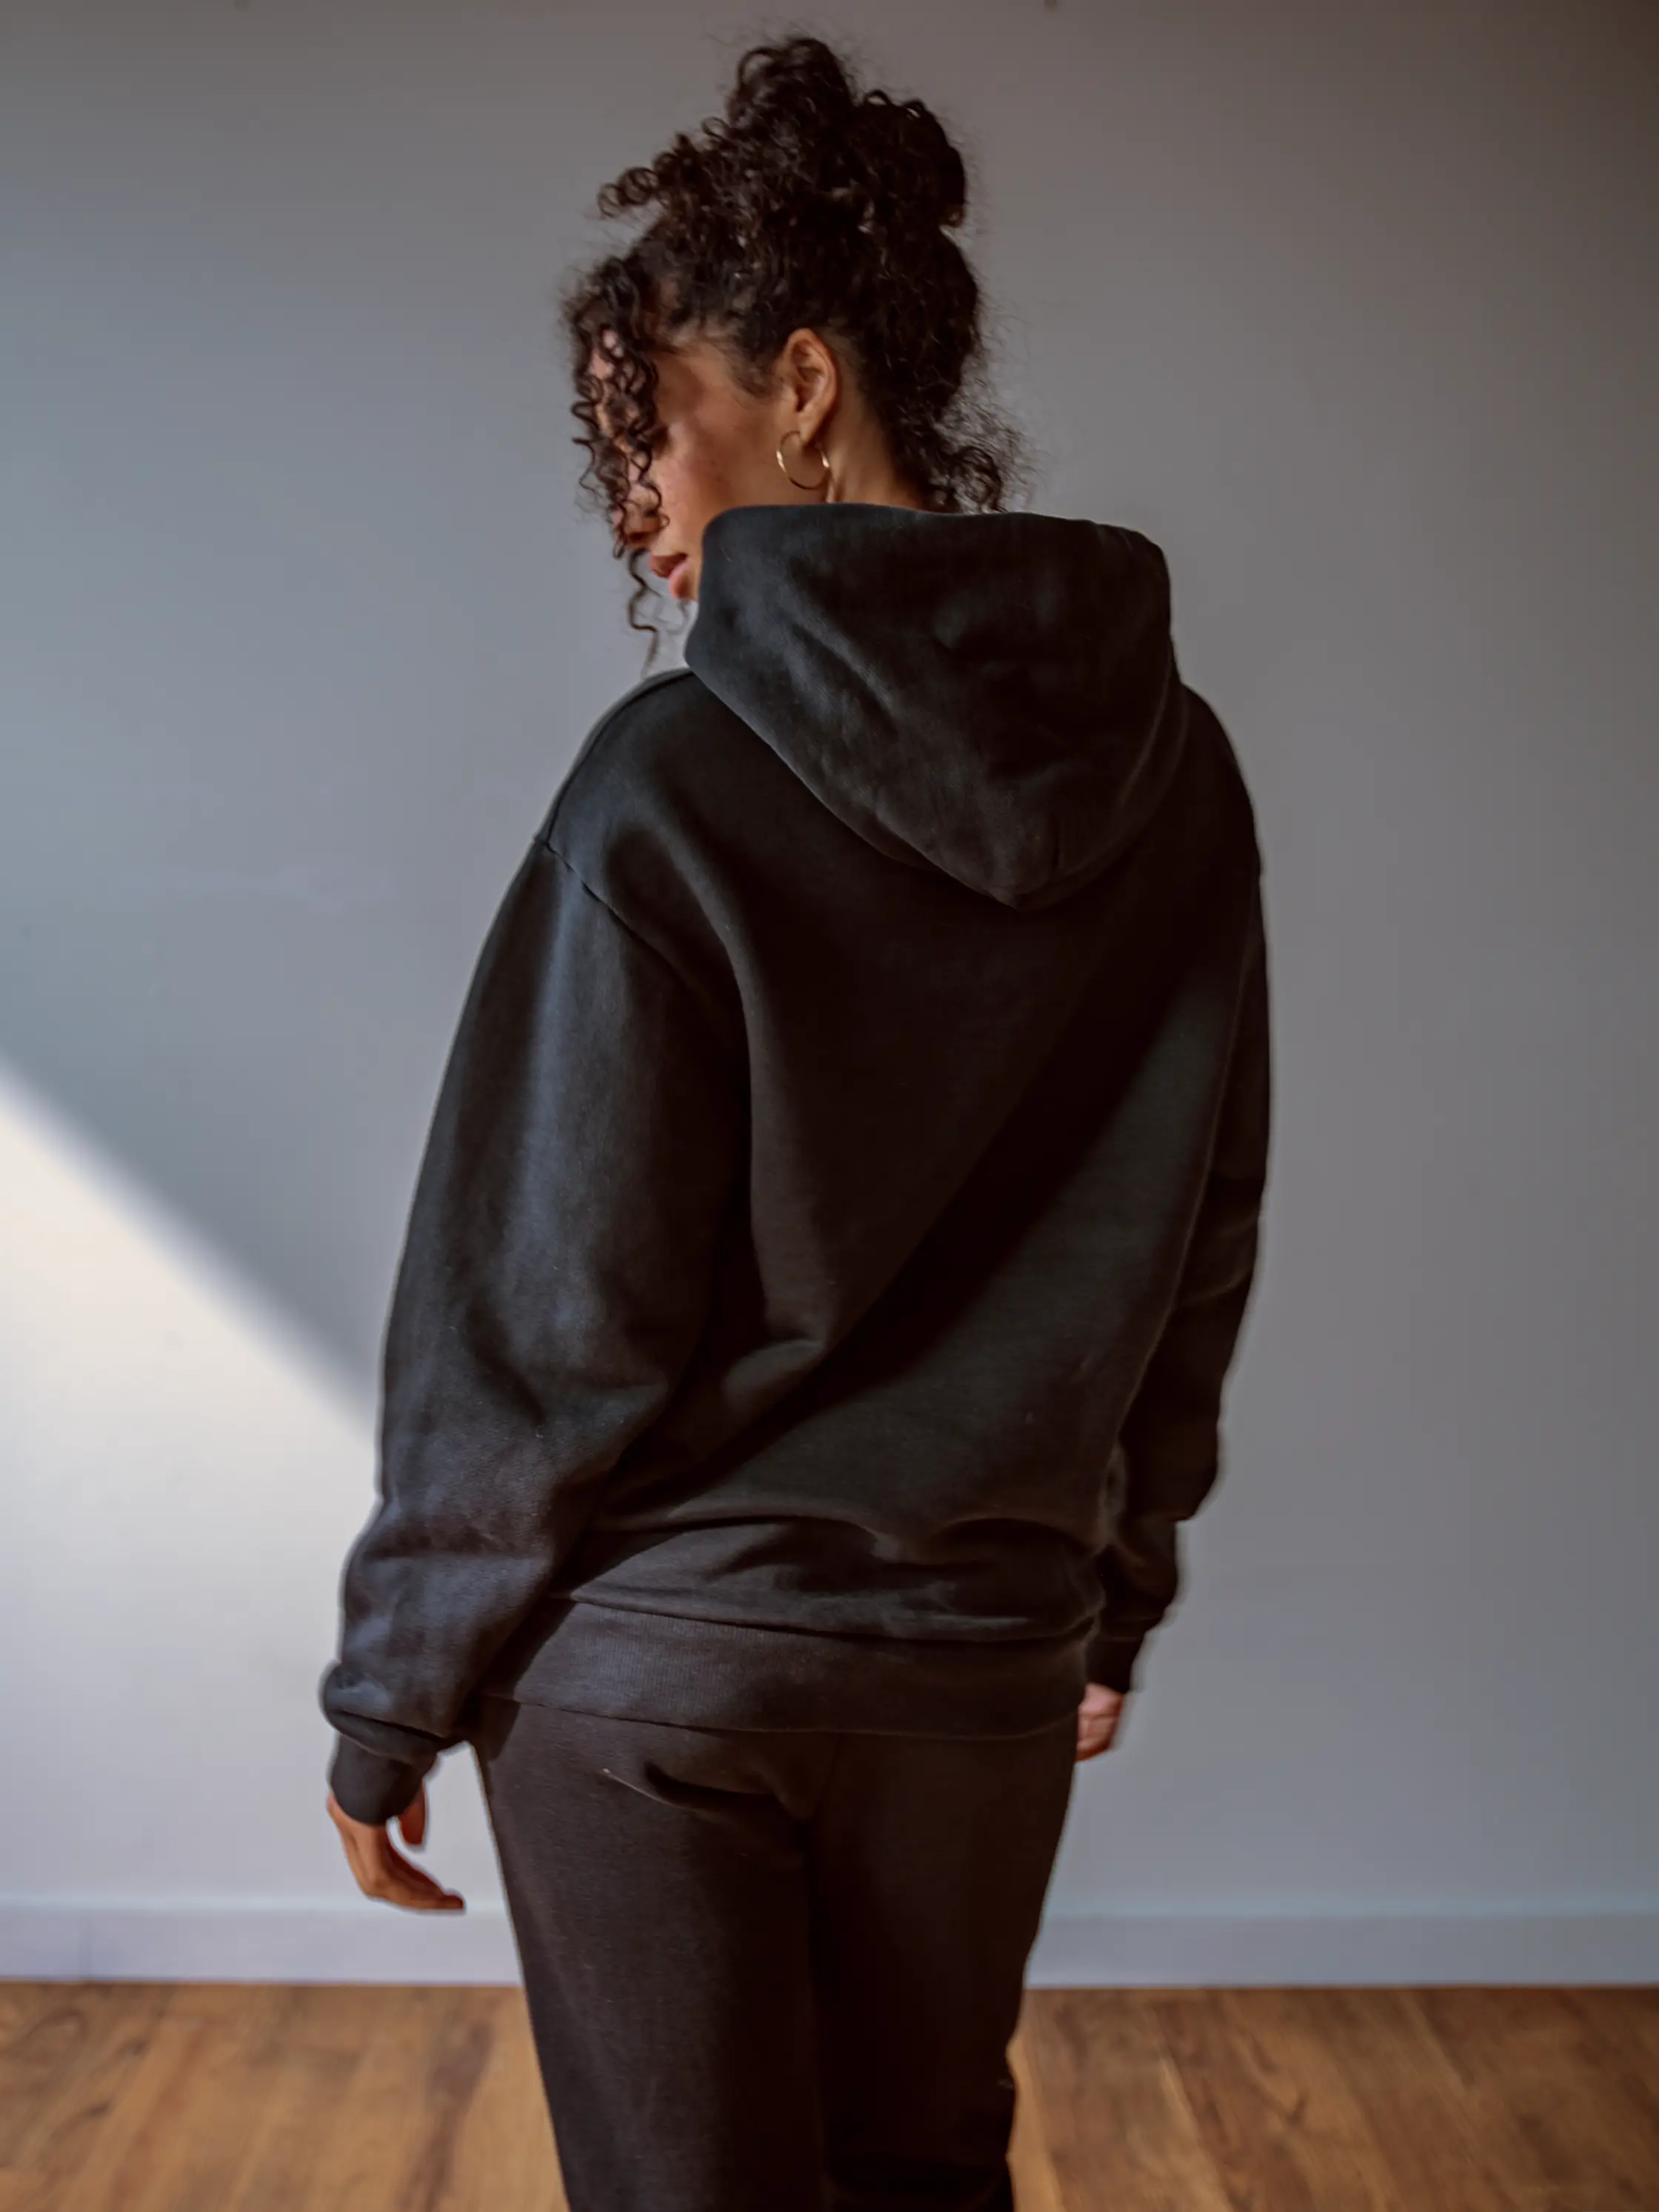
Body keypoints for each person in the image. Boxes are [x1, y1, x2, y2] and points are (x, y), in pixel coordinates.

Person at [320, 33, 1270, 2212]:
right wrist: (1109, 1589)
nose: (640, 501)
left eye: (652, 427)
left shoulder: (667, 783)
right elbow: (1200, 1229)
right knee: (923, 2175)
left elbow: (538, 1305)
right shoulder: (1179, 768)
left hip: (661, 1692)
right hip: (978, 1671)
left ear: (808, 385)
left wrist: (391, 1693)